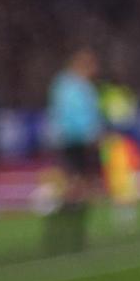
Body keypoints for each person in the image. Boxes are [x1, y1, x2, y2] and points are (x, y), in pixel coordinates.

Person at [43, 50, 104, 255]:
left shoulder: (65, 85)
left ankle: (68, 229)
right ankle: (71, 229)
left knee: (77, 185)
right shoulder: (72, 87)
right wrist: (91, 134)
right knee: (79, 185)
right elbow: (76, 115)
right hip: (75, 141)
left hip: (71, 140)